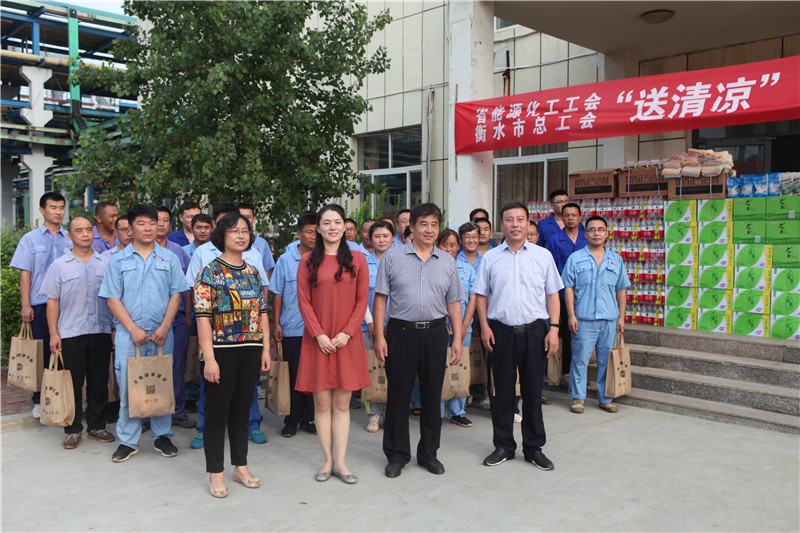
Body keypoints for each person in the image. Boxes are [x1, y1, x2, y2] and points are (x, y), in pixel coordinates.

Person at [373, 203, 465, 479]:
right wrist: (379, 336)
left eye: (434, 224)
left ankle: (429, 454)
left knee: (432, 396)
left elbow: (454, 302)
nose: (429, 229)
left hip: (436, 334)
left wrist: (457, 338)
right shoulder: (392, 258)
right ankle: (396, 455)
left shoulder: (447, 261)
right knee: (398, 396)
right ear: (411, 226)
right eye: (423, 223)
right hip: (401, 333)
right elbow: (380, 299)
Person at [474, 201, 562, 472]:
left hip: (535, 332)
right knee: (501, 393)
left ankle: (534, 448)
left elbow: (553, 294)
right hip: (500, 332)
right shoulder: (490, 257)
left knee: (533, 392)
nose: (515, 224)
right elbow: (481, 295)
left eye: (520, 219)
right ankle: (503, 445)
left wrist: (554, 329)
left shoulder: (542, 256)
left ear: (528, 223)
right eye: (509, 219)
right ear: (501, 225)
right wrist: (485, 326)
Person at [99, 204, 189, 463]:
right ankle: (128, 440)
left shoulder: (169, 258)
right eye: (142, 223)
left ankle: (162, 436)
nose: (149, 228)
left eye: (153, 222)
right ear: (130, 228)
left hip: (162, 333)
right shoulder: (118, 260)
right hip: (130, 335)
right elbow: (113, 299)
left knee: (161, 384)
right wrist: (133, 329)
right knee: (130, 386)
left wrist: (165, 326)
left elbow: (176, 294)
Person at [195, 212, 271, 498]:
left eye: (245, 231)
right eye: (234, 231)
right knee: (217, 413)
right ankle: (215, 472)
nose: (241, 235)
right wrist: (209, 359)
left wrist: (265, 348)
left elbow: (262, 313)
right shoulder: (209, 273)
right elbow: (203, 318)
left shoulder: (253, 272)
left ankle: (241, 466)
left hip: (250, 349)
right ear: (222, 235)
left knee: (241, 411)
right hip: (221, 351)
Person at [296, 204, 370, 484]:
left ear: (344, 226)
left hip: (346, 341)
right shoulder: (307, 261)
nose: (332, 227)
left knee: (342, 404)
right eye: (326, 222)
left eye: (337, 222)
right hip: (318, 341)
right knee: (322, 403)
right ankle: (327, 461)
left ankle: (341, 462)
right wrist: (319, 334)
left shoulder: (358, 260)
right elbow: (303, 301)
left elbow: (362, 300)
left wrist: (347, 333)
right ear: (318, 228)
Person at [41, 216, 115, 449]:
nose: (85, 234)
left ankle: (97, 426)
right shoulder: (60, 265)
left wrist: (114, 328)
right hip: (71, 333)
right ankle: (72, 429)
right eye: (79, 230)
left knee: (99, 381)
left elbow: (114, 299)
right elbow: (53, 301)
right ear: (70, 235)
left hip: (101, 330)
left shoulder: (106, 263)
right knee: (71, 384)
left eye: (88, 230)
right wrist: (54, 334)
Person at [9, 192, 71, 417]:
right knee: (43, 351)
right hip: (41, 303)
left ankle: (66, 397)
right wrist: (26, 305)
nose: (58, 212)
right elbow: (25, 274)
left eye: (61, 207)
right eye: (53, 207)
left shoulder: (70, 238)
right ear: (42, 210)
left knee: (68, 350)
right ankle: (40, 399)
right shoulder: (30, 239)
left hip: (67, 304)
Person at [562, 216, 629, 414]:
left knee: (606, 361)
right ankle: (578, 398)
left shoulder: (616, 259)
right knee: (580, 359)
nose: (596, 233)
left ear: (607, 234)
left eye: (600, 229)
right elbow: (568, 288)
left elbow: (621, 289)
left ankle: (605, 398)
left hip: (609, 319)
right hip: (583, 319)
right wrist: (571, 315)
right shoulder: (575, 258)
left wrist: (621, 317)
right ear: (586, 234)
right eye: (592, 230)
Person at [271, 212, 317, 438]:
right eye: (309, 232)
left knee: (313, 376)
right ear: (299, 234)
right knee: (293, 376)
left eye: (317, 232)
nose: (314, 236)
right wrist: (276, 323)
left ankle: (309, 418)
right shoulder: (285, 260)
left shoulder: (325, 258)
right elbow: (277, 293)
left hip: (318, 330)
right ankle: (291, 419)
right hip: (292, 327)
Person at [155, 205, 195, 429]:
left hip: (177, 319)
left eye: (165, 220)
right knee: (151, 365)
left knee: (176, 365)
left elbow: (187, 287)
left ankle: (177, 411)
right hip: (150, 320)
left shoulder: (178, 251)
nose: (161, 224)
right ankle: (148, 412)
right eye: (157, 220)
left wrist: (188, 314)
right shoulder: (140, 251)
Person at [435, 229, 475, 428]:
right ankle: (436, 412)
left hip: (463, 327)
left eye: (453, 245)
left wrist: (464, 324)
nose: (449, 249)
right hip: (439, 326)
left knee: (460, 367)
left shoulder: (466, 267)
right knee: (437, 367)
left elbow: (473, 297)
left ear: (458, 246)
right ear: (438, 245)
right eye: (444, 244)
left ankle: (457, 411)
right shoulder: (432, 266)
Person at [545, 202, 588, 380]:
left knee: (583, 333)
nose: (570, 218)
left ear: (580, 217)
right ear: (561, 218)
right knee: (565, 332)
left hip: (585, 295)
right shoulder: (554, 240)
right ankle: (564, 370)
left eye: (573, 215)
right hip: (562, 295)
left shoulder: (587, 238)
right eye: (567, 215)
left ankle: (580, 369)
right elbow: (549, 269)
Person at [362, 220, 395, 432]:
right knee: (372, 369)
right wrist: (371, 321)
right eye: (377, 236)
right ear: (370, 239)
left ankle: (390, 413)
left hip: (396, 325)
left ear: (392, 238)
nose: (381, 240)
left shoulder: (400, 261)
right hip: (369, 326)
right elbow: (359, 296)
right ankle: (373, 414)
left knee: (394, 370)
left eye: (385, 236)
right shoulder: (363, 263)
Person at [237, 203, 276, 276]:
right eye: (242, 216)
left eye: (248, 217)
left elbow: (266, 271)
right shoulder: (230, 242)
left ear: (253, 219)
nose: (245, 220)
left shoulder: (262, 244)